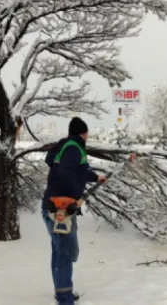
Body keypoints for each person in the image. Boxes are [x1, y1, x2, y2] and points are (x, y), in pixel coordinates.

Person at [42, 117, 106, 305]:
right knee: (65, 253)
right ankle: (64, 298)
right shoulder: (74, 147)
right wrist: (73, 198)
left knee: (58, 250)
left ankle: (62, 292)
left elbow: (70, 168)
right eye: (87, 134)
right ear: (83, 134)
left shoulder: (64, 146)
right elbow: (65, 172)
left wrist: (95, 177)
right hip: (60, 210)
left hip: (51, 207)